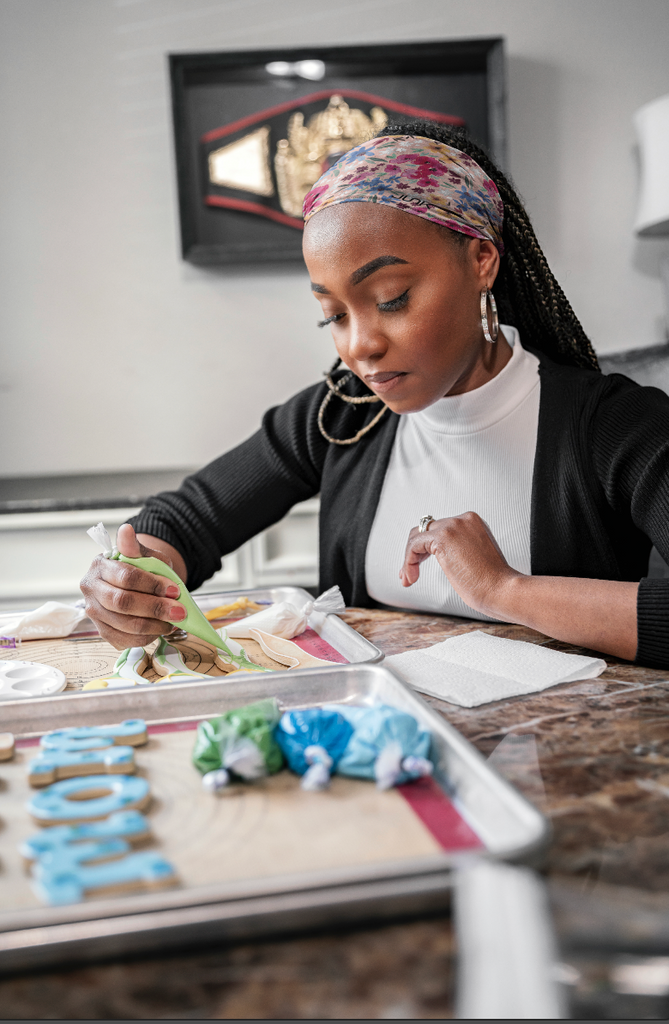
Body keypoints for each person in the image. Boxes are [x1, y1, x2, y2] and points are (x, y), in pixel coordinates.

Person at [80, 122, 669, 667]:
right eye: (332, 315)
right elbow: (186, 520)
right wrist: (133, 584)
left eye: (391, 298)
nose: (359, 347)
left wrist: (505, 589)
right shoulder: (345, 413)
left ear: (482, 260)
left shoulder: (613, 426)